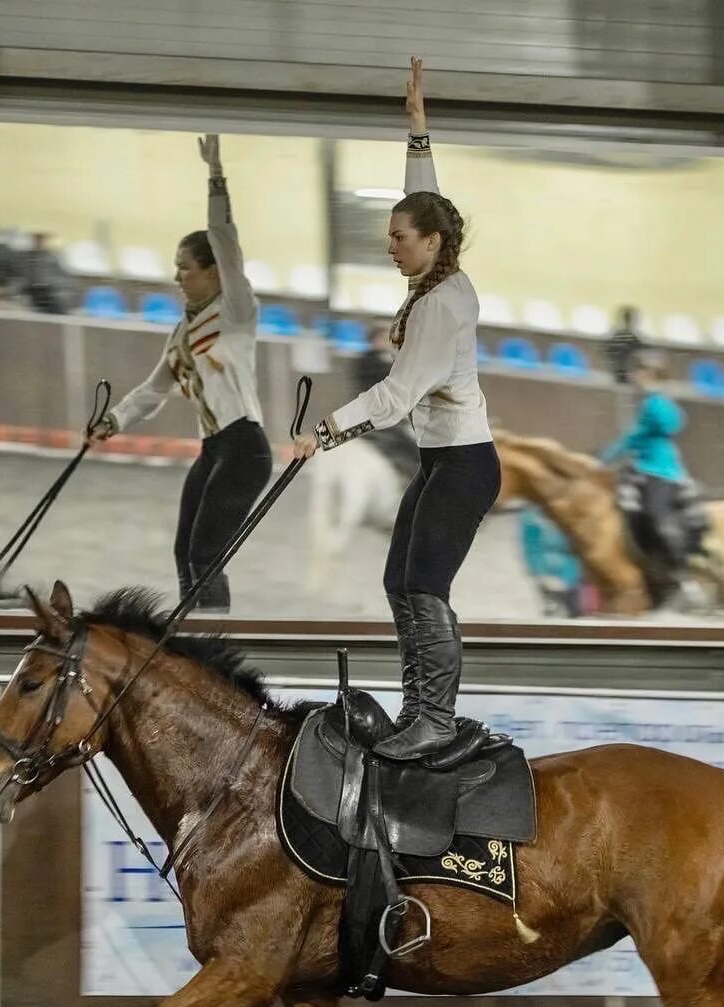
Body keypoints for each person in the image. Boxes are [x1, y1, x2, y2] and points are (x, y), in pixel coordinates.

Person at [294, 57, 499, 761]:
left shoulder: (441, 306)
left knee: (422, 582)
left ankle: (434, 719)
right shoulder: (440, 271)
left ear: (432, 244)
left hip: (464, 465)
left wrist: (324, 431)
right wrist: (417, 131)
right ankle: (422, 709)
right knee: (400, 579)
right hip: (444, 461)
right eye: (389, 236)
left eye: (399, 239)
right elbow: (428, 202)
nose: (390, 246)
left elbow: (395, 396)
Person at [90, 135, 270, 613]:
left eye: (185, 269)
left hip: (245, 448)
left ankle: (217, 641)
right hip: (214, 450)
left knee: (205, 553)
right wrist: (113, 421)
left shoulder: (234, 310)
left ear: (213, 273)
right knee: (184, 552)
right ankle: (195, 633)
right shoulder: (180, 334)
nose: (177, 278)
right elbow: (154, 390)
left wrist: (215, 175)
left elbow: (226, 240)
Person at [601, 350, 690, 573]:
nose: (633, 377)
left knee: (656, 514)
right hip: (641, 467)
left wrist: (607, 457)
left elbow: (650, 431)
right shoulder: (652, 403)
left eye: (637, 372)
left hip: (660, 471)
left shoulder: (656, 404)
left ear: (648, 374)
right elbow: (635, 437)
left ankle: (682, 573)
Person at [352, 322, 420, 479]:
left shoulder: (366, 361)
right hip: (381, 418)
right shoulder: (379, 363)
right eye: (383, 338)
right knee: (413, 449)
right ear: (375, 340)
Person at [20, 231, 71, 315]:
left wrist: (54, 287)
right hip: (32, 292)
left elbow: (63, 276)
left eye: (41, 239)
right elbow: (24, 277)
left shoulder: (53, 257)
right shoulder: (27, 257)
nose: (39, 241)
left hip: (50, 292)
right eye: (37, 238)